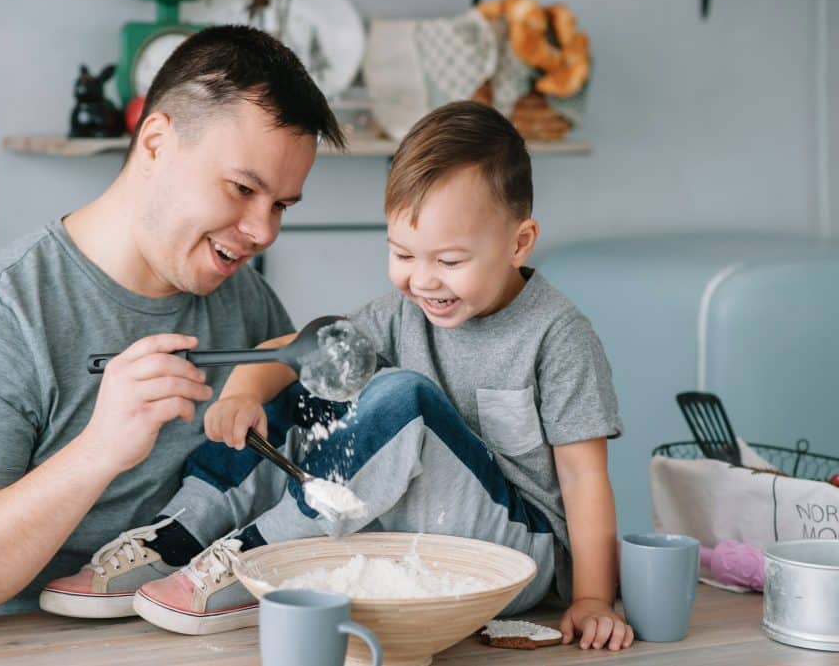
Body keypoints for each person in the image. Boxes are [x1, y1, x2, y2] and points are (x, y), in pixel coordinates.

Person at [46, 101, 634, 651]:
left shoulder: (558, 336)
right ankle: (179, 535)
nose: (423, 281)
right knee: (314, 368)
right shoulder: (404, 312)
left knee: (402, 395)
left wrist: (591, 597)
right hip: (411, 528)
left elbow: (585, 479)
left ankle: (266, 562)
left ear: (519, 242)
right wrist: (244, 394)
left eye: (450, 261)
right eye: (403, 255)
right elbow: (296, 348)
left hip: (512, 548)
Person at [0, 25, 345, 630]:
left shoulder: (245, 298)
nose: (264, 231)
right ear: (157, 142)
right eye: (243, 188)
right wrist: (99, 450)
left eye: (282, 205)